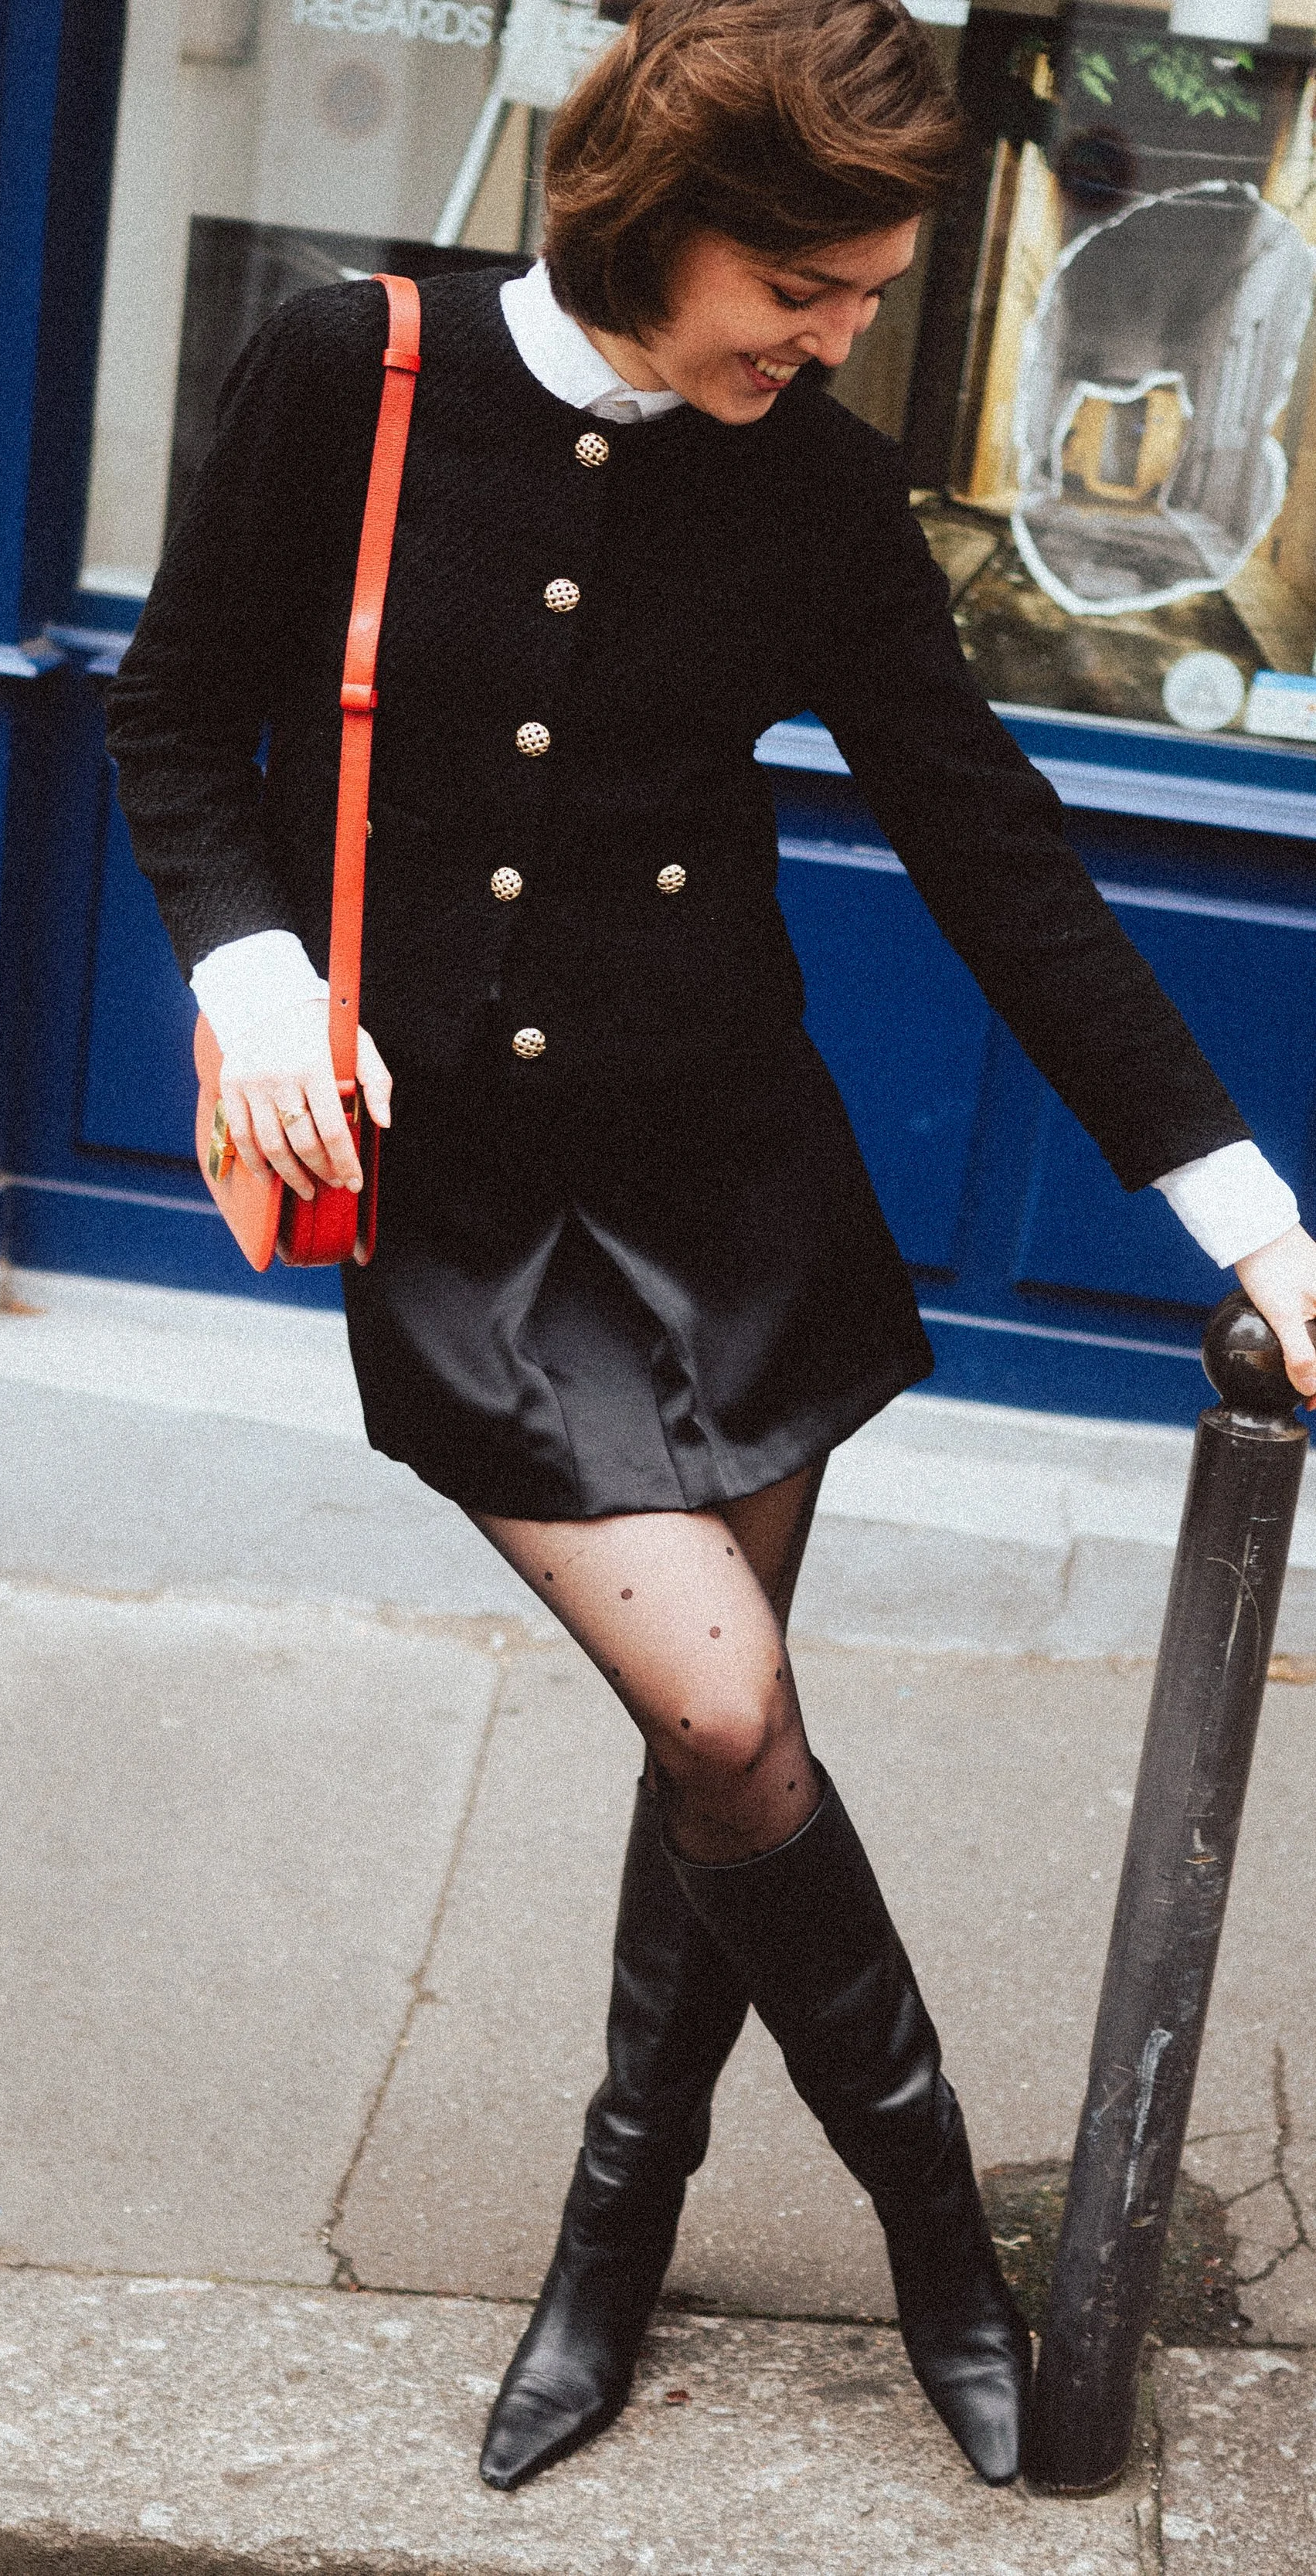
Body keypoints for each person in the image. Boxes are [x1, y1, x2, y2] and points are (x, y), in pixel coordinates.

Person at [107, 0, 1316, 2496]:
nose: (844, 339)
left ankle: (614, 2221)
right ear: (669, 219)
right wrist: (243, 970)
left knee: (705, 1746)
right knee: (731, 1715)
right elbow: (168, 718)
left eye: (874, 298)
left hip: (732, 1183)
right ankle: (934, 2248)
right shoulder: (353, 364)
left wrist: (1247, 1206)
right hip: (461, 1219)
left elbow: (987, 846)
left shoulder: (809, 492)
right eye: (819, 289)